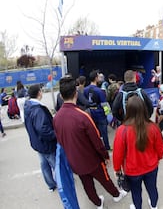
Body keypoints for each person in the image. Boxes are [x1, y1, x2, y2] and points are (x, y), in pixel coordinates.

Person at [53, 77, 125, 209]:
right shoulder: (83, 116)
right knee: (105, 179)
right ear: (76, 94)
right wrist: (105, 156)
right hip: (92, 160)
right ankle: (116, 195)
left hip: (75, 162)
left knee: (87, 185)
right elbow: (97, 140)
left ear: (62, 96)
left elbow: (60, 141)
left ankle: (98, 203)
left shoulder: (56, 118)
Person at [113, 95, 163, 209]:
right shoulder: (153, 127)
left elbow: (118, 154)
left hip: (132, 170)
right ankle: (154, 205)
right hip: (151, 167)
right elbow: (160, 148)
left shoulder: (122, 130)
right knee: (152, 188)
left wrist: (117, 169)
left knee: (136, 192)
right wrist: (157, 159)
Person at [24, 84, 57, 192]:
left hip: (37, 143)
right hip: (46, 144)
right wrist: (55, 135)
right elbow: (43, 129)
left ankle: (51, 185)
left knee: (44, 165)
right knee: (55, 164)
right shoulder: (38, 109)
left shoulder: (28, 106)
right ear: (39, 93)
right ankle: (62, 183)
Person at [84, 70, 112, 150]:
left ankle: (96, 148)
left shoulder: (85, 90)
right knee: (104, 132)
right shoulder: (99, 91)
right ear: (96, 78)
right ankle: (107, 147)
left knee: (94, 133)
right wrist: (108, 114)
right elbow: (104, 104)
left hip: (90, 114)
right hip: (100, 114)